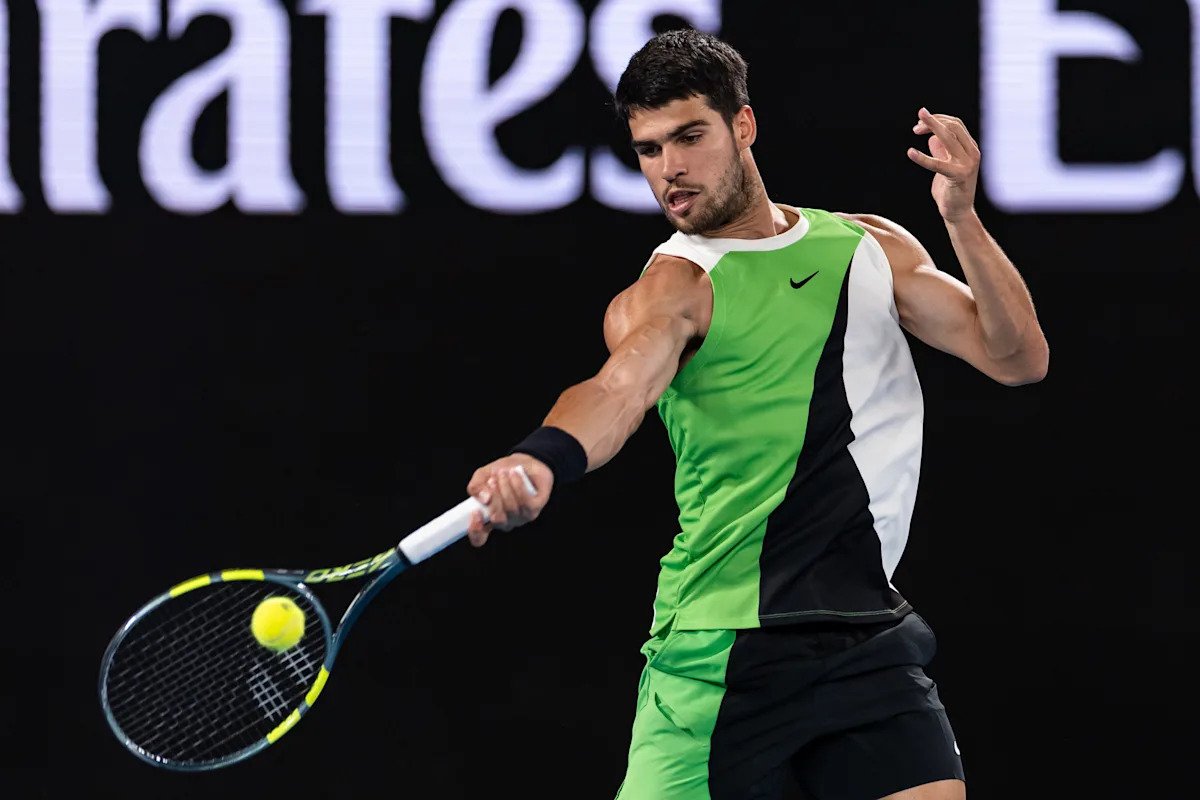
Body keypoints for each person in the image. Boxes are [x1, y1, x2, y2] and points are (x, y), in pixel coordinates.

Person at [463, 28, 1048, 800]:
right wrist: (541, 458)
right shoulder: (674, 289)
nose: (669, 169)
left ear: (743, 125)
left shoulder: (867, 248)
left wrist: (962, 217)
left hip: (863, 639)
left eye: (689, 137)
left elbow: (1016, 357)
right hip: (719, 654)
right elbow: (617, 391)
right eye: (648, 150)